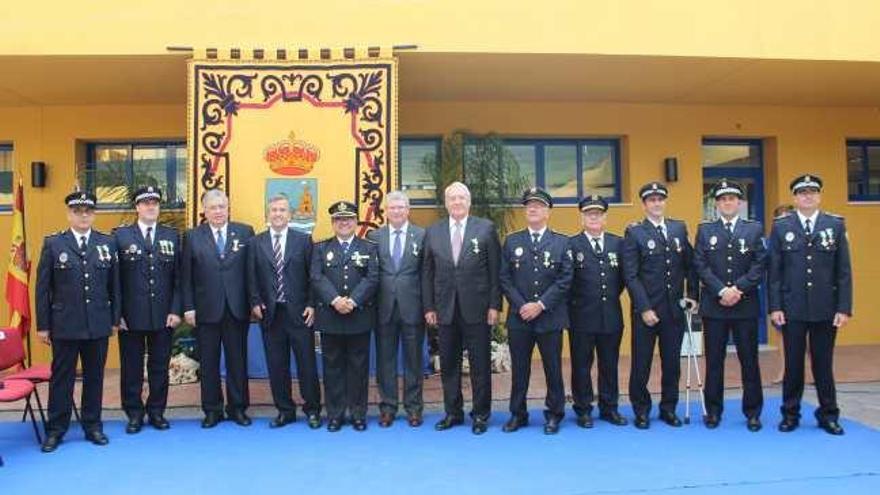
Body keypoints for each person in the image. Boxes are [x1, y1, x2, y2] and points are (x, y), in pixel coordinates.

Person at [35, 190, 120, 452]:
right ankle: (56, 429)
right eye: (77, 212)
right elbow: (42, 288)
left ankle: (92, 425)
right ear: (69, 214)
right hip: (65, 324)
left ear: (94, 214)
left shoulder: (106, 242)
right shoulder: (54, 243)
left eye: (88, 212)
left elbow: (114, 286)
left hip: (97, 322)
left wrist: (114, 319)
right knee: (62, 378)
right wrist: (43, 325)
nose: (83, 216)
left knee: (95, 377)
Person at [769, 174, 852, 435]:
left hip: (825, 308)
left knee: (823, 364)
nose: (807, 196)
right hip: (792, 307)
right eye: (802, 192)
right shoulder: (782, 226)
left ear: (819, 196)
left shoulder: (835, 225)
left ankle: (828, 414)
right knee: (793, 364)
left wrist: (843, 307)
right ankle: (790, 413)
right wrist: (775, 307)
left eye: (812, 192)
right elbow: (775, 271)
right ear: (794, 198)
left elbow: (844, 272)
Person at [422, 181, 502, 435]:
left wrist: (494, 305)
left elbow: (495, 271)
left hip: (477, 308)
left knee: (479, 364)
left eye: (461, 198)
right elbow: (427, 273)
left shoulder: (486, 229)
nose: (457, 202)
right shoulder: (433, 232)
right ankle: (452, 412)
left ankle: (480, 415)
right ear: (445, 203)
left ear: (469, 201)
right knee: (449, 364)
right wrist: (429, 307)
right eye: (452, 198)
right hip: (445, 308)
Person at [622, 181, 698, 429]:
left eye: (660, 199)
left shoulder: (678, 228)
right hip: (646, 311)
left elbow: (690, 265)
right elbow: (630, 275)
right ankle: (641, 410)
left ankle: (669, 408)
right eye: (651, 200)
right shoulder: (635, 233)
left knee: (672, 364)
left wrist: (692, 295)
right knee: (641, 364)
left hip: (673, 309)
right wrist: (644, 308)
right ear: (644, 205)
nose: (656, 203)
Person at [693, 179, 766, 431]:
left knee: (749, 361)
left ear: (739, 203)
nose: (727, 203)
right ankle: (713, 411)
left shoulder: (754, 229)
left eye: (732, 199)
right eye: (723, 199)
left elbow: (759, 265)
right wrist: (722, 290)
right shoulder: (705, 230)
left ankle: (753, 412)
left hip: (744, 305)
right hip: (715, 306)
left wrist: (738, 288)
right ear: (717, 204)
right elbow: (700, 265)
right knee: (714, 361)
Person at [498, 187, 571, 434]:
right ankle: (518, 414)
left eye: (539, 205)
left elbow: (565, 279)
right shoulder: (512, 241)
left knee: (553, 368)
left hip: (549, 317)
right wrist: (522, 306)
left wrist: (540, 305)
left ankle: (554, 414)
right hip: (520, 318)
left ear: (548, 211)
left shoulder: (562, 242)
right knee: (520, 369)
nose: (533, 209)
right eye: (529, 205)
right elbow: (504, 278)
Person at [247, 193, 322, 429]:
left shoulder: (303, 240)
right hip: (271, 314)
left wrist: (312, 304)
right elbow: (251, 277)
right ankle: (285, 410)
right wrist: (255, 302)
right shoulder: (256, 243)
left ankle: (312, 410)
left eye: (282, 210)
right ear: (267, 215)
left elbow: (313, 277)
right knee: (276, 365)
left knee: (306, 364)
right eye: (274, 210)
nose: (278, 214)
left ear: (290, 215)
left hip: (299, 313)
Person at [182, 189, 255, 428]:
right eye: (212, 207)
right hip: (206, 310)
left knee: (237, 361)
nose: (218, 211)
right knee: (209, 363)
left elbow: (251, 272)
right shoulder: (192, 237)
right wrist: (189, 307)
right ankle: (212, 410)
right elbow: (186, 277)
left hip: (236, 309)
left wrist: (254, 302)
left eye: (222, 206)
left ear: (228, 207)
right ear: (204, 210)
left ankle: (238, 408)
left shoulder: (244, 232)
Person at [113, 186, 181, 434]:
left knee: (159, 367)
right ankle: (134, 413)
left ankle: (156, 412)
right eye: (146, 203)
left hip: (164, 315)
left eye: (155, 203)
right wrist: (117, 314)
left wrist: (176, 310)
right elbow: (115, 281)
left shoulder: (172, 236)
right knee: (131, 367)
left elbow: (178, 279)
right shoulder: (120, 236)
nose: (151, 207)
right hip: (130, 317)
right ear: (137, 207)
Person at [311, 200, 379, 432]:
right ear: (333, 223)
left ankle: (358, 414)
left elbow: (372, 278)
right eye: (339, 220)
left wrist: (353, 301)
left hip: (358, 316)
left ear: (356, 222)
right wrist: (336, 300)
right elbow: (317, 277)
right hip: (330, 317)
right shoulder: (320, 248)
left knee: (359, 369)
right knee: (332, 369)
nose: (344, 223)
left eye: (348, 219)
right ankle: (335, 415)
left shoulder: (368, 248)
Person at [567, 195, 629, 428]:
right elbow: (567, 282)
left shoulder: (618, 244)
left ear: (605, 217)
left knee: (609, 364)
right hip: (581, 317)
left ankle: (609, 408)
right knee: (581, 365)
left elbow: (623, 279)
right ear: (582, 217)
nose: (594, 217)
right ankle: (583, 409)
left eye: (598, 213)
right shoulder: (572, 245)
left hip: (611, 315)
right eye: (589, 213)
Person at [366, 191, 426, 428]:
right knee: (385, 361)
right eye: (393, 208)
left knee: (414, 361)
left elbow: (426, 273)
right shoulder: (374, 236)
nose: (397, 211)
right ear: (386, 211)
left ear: (408, 210)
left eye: (401, 207)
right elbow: (371, 274)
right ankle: (388, 407)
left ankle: (414, 408)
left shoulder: (421, 235)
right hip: (384, 308)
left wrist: (428, 307)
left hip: (413, 307)